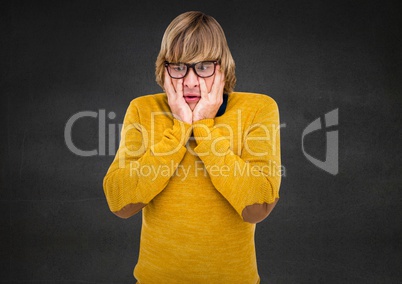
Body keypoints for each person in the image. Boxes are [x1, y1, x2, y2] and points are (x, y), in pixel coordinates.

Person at [103, 11, 281, 283]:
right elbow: (119, 201)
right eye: (178, 67)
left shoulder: (258, 109)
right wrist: (179, 130)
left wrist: (204, 129)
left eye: (203, 66)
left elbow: (258, 206)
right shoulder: (142, 109)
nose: (189, 81)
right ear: (165, 70)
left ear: (223, 68)